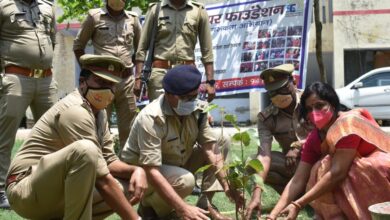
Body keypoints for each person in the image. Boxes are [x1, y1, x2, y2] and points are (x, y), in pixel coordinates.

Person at [5, 55, 147, 219]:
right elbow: (102, 179)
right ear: (82, 82)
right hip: (26, 190)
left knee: (131, 185)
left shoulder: (99, 112)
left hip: (54, 190)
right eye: (100, 82)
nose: (107, 89)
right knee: (86, 150)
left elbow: (108, 161)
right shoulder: (75, 110)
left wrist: (136, 170)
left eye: (111, 84)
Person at [120, 65, 243, 220]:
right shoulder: (151, 117)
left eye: (195, 95)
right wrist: (182, 208)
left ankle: (205, 203)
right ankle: (149, 207)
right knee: (185, 181)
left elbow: (210, 148)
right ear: (169, 95)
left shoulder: (198, 110)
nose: (192, 101)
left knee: (220, 140)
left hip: (178, 162)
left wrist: (227, 186)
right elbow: (151, 169)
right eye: (187, 98)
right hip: (144, 172)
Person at [268, 82, 390, 220]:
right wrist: (272, 216)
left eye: (319, 105)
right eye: (309, 109)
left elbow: (338, 172)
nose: (314, 112)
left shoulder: (347, 125)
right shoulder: (314, 138)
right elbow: (298, 179)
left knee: (339, 168)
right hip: (348, 174)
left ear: (332, 104)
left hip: (378, 170)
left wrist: (298, 204)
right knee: (319, 169)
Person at [0, 0, 58, 208]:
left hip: (46, 80)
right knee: (5, 136)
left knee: (54, 133)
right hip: (15, 77)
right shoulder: (3, 5)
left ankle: (45, 185)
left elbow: (53, 40)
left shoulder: (47, 6)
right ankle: (0, 190)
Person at [245, 64, 312, 219]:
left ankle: (310, 192)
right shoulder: (266, 118)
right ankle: (295, 194)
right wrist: (257, 194)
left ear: (293, 81)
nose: (278, 95)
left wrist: (298, 146)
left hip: (317, 161)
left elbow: (325, 133)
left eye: (281, 88)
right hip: (293, 167)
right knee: (253, 163)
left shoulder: (310, 102)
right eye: (272, 92)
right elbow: (264, 156)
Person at [73, 0, 141, 148]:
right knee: (100, 125)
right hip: (101, 81)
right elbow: (78, 46)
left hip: (126, 80)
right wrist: (88, 73)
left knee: (129, 128)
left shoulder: (133, 19)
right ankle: (101, 165)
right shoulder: (94, 17)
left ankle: (126, 166)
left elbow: (140, 51)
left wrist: (137, 77)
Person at [134, 0, 216, 102]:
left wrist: (210, 81)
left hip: (187, 74)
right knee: (159, 115)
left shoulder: (198, 10)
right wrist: (138, 78)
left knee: (186, 114)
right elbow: (142, 47)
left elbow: (207, 50)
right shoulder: (156, 9)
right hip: (160, 74)